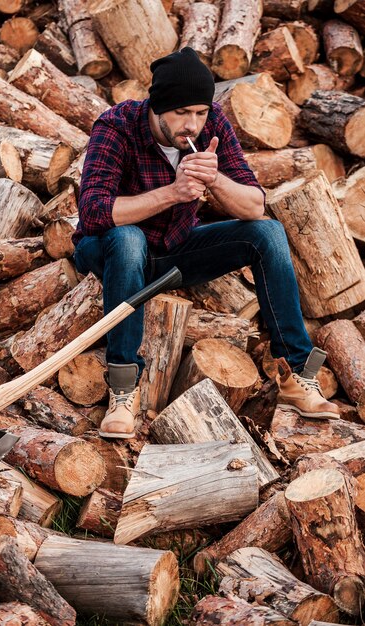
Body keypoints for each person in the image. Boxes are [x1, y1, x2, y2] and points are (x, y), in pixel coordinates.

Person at [73, 47, 340, 438]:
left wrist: (215, 179)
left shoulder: (212, 124)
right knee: (128, 239)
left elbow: (253, 205)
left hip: (173, 251)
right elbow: (93, 211)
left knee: (267, 232)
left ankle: (296, 374)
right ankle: (123, 391)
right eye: (182, 113)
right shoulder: (117, 126)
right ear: (157, 107)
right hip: (109, 250)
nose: (192, 125)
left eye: (200, 112)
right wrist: (173, 192)